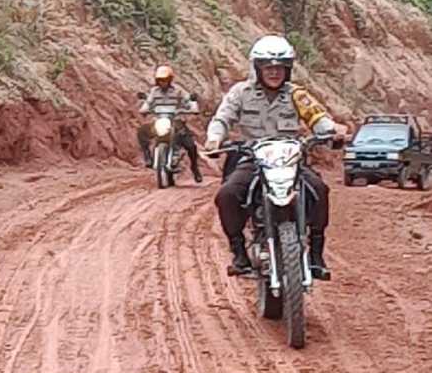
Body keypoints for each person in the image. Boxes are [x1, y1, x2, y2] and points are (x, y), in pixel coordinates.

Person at [204, 35, 347, 278]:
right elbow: (223, 118)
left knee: (319, 190)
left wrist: (333, 130)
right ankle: (238, 253)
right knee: (226, 195)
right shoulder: (241, 92)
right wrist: (214, 137)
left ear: (288, 69)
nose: (274, 73)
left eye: (279, 68)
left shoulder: (297, 95)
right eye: (268, 67)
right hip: (254, 158)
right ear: (257, 68)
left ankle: (316, 255)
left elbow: (317, 118)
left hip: (290, 159)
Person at [138, 65, 203, 183]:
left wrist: (193, 106)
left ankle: (195, 168)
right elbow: (148, 103)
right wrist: (144, 109)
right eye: (161, 80)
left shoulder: (178, 90)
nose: (163, 82)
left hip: (176, 121)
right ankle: (148, 157)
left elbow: (188, 101)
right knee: (142, 132)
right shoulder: (154, 91)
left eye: (165, 80)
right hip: (159, 120)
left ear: (170, 80)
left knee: (190, 145)